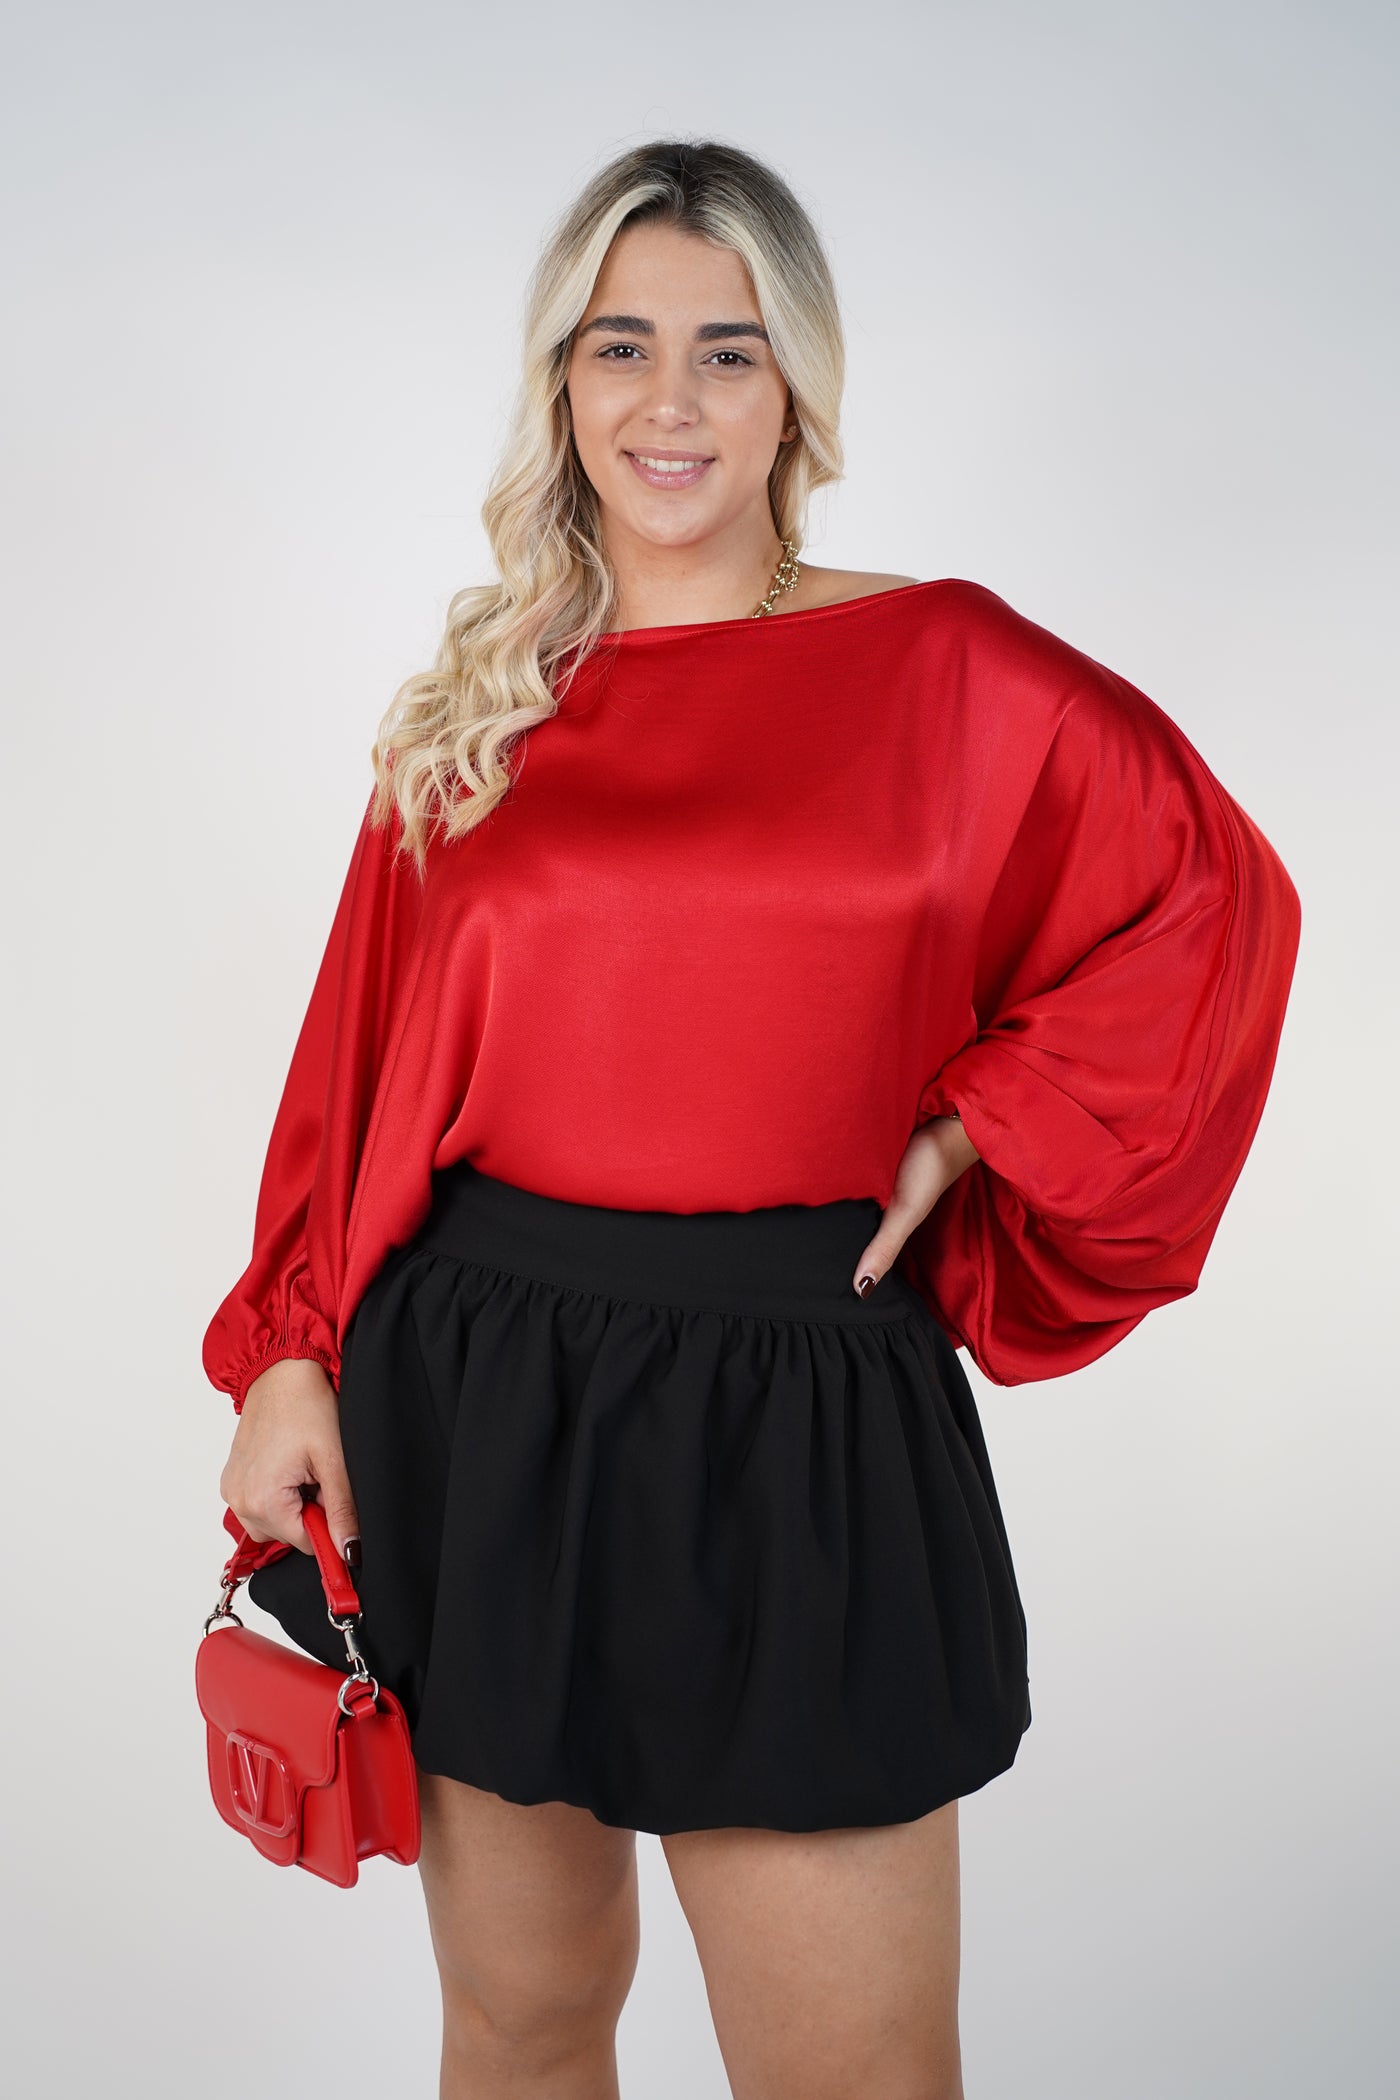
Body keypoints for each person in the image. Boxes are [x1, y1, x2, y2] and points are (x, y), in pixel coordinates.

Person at [205, 138, 1301, 2100]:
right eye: (620, 346)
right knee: (521, 2027)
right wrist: (289, 1354)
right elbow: (356, 1058)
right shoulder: (485, 701)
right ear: (562, 384)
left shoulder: (945, 665)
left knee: (855, 2074)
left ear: (797, 384)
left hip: (798, 1407)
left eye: (729, 349)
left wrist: (969, 1125)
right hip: (482, 1392)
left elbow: (1206, 898)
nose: (673, 400)